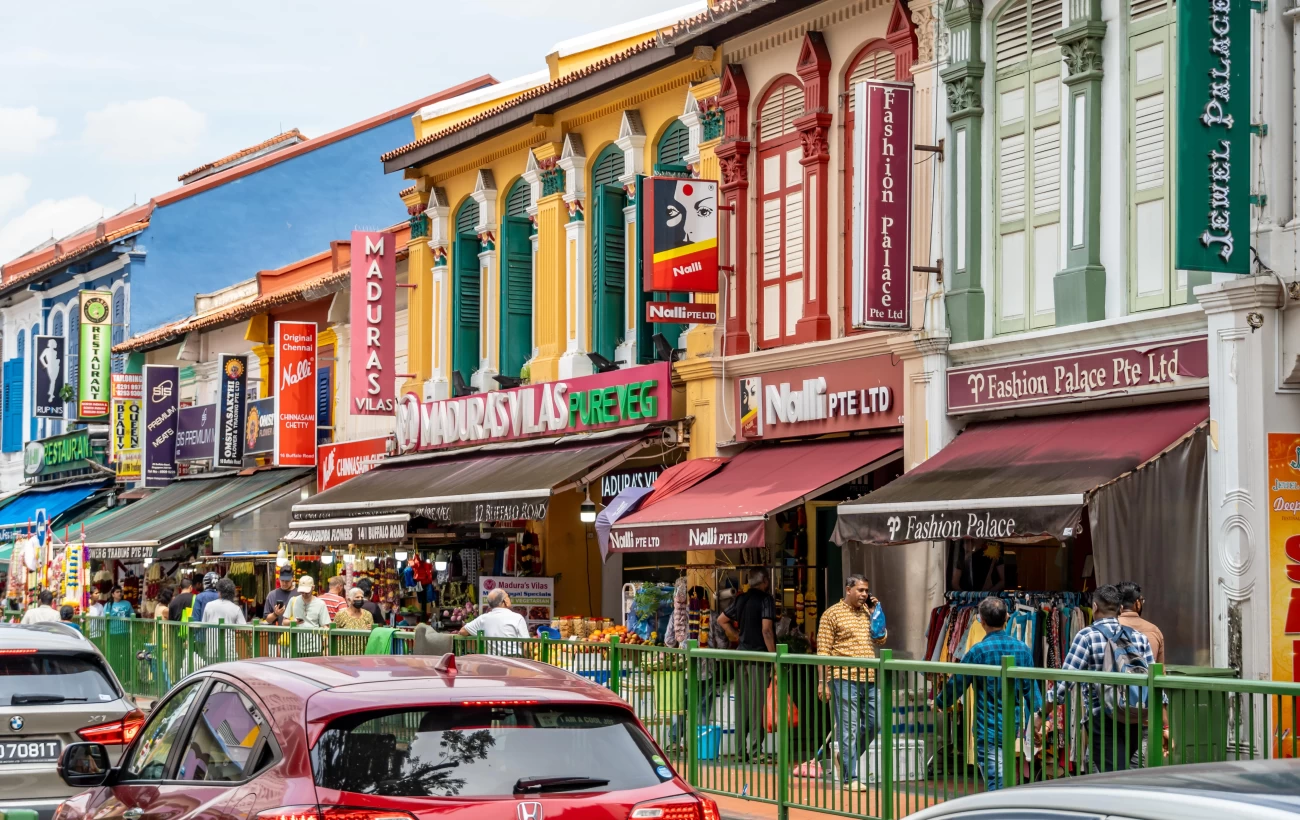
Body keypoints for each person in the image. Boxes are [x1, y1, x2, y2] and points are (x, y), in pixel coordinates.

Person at [934, 596, 1041, 791]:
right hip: (1012, 725)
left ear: (981, 621)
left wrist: (941, 702)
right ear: (1007, 617)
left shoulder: (978, 651)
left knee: (995, 780)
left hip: (987, 726)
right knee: (1005, 775)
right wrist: (1041, 716)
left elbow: (956, 683)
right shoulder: (1023, 650)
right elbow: (1030, 689)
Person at [1048, 584, 1155, 773]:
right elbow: (1154, 680)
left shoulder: (1086, 636)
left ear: (1095, 607)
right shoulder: (1139, 638)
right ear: (1120, 609)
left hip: (1102, 716)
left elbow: (1064, 683)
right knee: (1120, 769)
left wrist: (1042, 713)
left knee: (1113, 774)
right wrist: (1164, 725)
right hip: (1133, 716)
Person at [816, 575, 889, 790]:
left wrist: (878, 614)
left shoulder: (868, 612)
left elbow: (881, 639)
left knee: (875, 723)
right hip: (843, 677)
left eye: (866, 590)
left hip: (869, 677)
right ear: (848, 590)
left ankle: (845, 758)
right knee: (849, 728)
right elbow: (822, 651)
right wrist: (823, 682)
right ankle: (851, 778)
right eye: (860, 590)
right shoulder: (831, 614)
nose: (864, 594)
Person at [717, 569, 776, 764]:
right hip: (758, 657)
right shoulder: (766, 600)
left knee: (742, 705)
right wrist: (774, 657)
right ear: (765, 581)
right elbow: (766, 630)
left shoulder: (741, 599)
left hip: (741, 656)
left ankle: (741, 751)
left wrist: (735, 635)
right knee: (757, 705)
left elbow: (721, 620)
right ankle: (756, 750)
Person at [459, 588, 529, 652]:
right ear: (505, 601)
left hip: (492, 661)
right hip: (514, 660)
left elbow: (462, 631)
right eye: (508, 597)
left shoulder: (483, 618)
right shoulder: (517, 618)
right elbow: (526, 645)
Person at [1117, 581, 1165, 665]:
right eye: (1142, 600)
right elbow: (1159, 671)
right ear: (1138, 603)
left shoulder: (1107, 628)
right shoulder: (1154, 630)